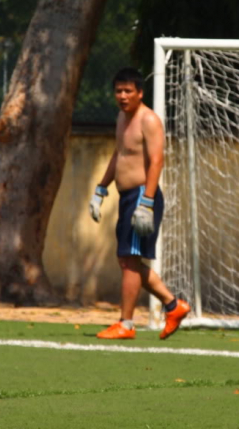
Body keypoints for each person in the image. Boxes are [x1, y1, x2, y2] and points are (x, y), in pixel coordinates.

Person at [89, 67, 190, 340]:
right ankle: (174, 306)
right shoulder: (121, 118)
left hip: (142, 196)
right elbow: (119, 155)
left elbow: (157, 160)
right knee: (127, 260)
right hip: (126, 197)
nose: (122, 96)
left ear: (139, 93)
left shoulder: (149, 120)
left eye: (128, 91)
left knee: (130, 261)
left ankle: (126, 324)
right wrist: (100, 188)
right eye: (118, 91)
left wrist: (146, 201)